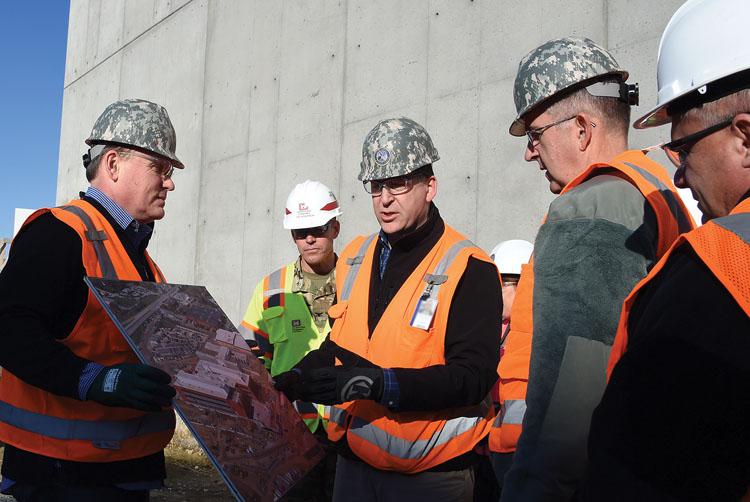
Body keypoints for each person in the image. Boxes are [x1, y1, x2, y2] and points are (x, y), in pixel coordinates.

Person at [498, 37, 695, 501]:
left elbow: (567, 417)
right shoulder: (661, 184)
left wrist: (531, 489)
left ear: (582, 129)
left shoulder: (591, 209)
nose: (531, 153)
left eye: (536, 135)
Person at [274, 117, 503, 501]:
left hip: (430, 476)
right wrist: (295, 377)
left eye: (398, 183)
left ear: (430, 187)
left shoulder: (469, 267)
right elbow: (340, 345)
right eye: (376, 185)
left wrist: (379, 385)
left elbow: (472, 377)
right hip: (353, 465)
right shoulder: (355, 257)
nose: (385, 199)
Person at [584, 0, 750, 499]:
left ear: (744, 135)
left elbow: (633, 474)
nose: (678, 173)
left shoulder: (716, 271)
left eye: (684, 148)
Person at [0, 99, 182, 501]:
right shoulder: (59, 233)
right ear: (113, 164)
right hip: (63, 475)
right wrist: (94, 380)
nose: (169, 183)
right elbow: (9, 329)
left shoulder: (141, 260)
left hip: (125, 469)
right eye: (160, 168)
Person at [239, 179, 342, 500]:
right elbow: (250, 359)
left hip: (350, 430)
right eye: (300, 232)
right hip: (292, 432)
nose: (309, 238)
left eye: (317, 229)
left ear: (335, 228)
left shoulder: (361, 280)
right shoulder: (271, 288)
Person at [486, 239, 533, 494]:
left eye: (500, 284)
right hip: (489, 448)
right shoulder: (494, 326)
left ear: (521, 285)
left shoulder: (536, 335)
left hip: (515, 455)